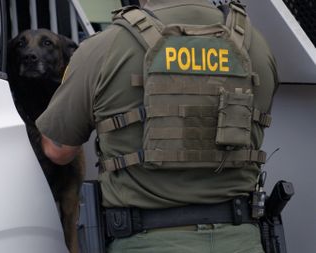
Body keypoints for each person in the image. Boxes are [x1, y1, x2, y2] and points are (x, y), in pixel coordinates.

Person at [36, 0, 278, 252]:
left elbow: (59, 150)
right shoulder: (256, 46)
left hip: (145, 240)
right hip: (242, 241)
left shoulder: (104, 47)